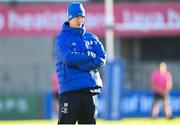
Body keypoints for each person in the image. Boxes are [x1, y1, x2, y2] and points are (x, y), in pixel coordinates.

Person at [55, 2, 106, 124]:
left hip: (90, 91)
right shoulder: (61, 38)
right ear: (70, 18)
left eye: (82, 17)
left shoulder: (92, 38)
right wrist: (89, 56)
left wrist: (81, 65)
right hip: (70, 91)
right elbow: (68, 58)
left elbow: (102, 58)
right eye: (77, 17)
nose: (80, 20)